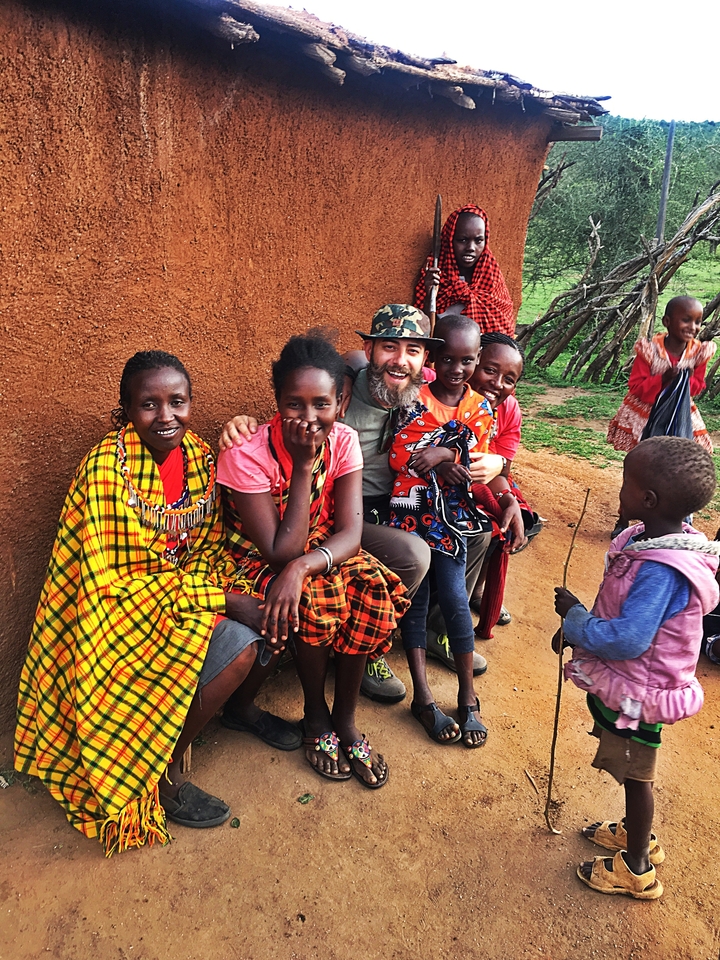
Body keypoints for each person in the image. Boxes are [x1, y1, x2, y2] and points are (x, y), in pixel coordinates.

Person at [15, 351, 295, 856]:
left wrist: (225, 595)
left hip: (182, 592)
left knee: (268, 619)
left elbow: (208, 542)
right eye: (149, 404)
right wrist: (222, 600)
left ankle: (230, 716)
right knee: (237, 633)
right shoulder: (105, 470)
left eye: (177, 402)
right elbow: (111, 584)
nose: (165, 416)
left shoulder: (201, 457)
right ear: (124, 410)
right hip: (114, 616)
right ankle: (154, 778)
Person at [219, 305, 503, 702]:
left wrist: (498, 462)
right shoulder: (339, 399)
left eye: (413, 351)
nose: (400, 360)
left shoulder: (429, 390)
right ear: (369, 350)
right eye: (389, 347)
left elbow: (477, 410)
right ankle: (363, 645)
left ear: (427, 361)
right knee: (413, 555)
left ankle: (423, 632)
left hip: (398, 500)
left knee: (473, 536)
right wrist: (240, 422)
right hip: (334, 509)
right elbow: (299, 406)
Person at [217, 334, 409, 787]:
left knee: (373, 592)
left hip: (315, 551)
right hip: (252, 557)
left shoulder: (342, 440)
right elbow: (278, 551)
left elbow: (351, 532)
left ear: (340, 402)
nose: (308, 418)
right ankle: (315, 715)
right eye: (294, 404)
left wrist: (304, 566)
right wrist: (303, 466)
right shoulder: (247, 453)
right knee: (318, 601)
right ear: (276, 401)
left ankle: (344, 718)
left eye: (320, 403)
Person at [553, 435, 719, 900]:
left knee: (636, 774)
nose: (619, 489)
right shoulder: (650, 538)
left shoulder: (662, 569)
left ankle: (637, 866)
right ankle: (634, 833)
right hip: (634, 681)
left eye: (627, 483)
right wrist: (577, 632)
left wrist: (577, 619)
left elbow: (628, 638)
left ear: (648, 499)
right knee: (631, 769)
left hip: (641, 695)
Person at [388, 315, 493, 747]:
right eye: (447, 359)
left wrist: (446, 451)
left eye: (466, 360)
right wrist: (438, 455)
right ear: (433, 358)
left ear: (477, 359)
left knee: (454, 597)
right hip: (412, 514)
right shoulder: (413, 399)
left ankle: (468, 695)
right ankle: (424, 697)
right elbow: (400, 454)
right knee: (418, 601)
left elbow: (478, 459)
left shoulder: (480, 407)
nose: (456, 369)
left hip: (449, 520)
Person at [607, 296, 715, 455]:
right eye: (686, 320)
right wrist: (664, 378)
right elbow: (636, 387)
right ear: (667, 321)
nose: (693, 327)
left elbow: (696, 388)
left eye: (697, 322)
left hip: (679, 409)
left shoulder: (698, 354)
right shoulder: (649, 351)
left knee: (681, 452)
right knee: (644, 452)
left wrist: (688, 380)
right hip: (646, 411)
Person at [415, 204, 515, 335]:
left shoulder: (491, 277)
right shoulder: (435, 275)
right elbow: (422, 328)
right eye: (462, 240)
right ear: (449, 240)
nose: (471, 248)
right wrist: (430, 294)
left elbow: (504, 327)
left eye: (479, 240)